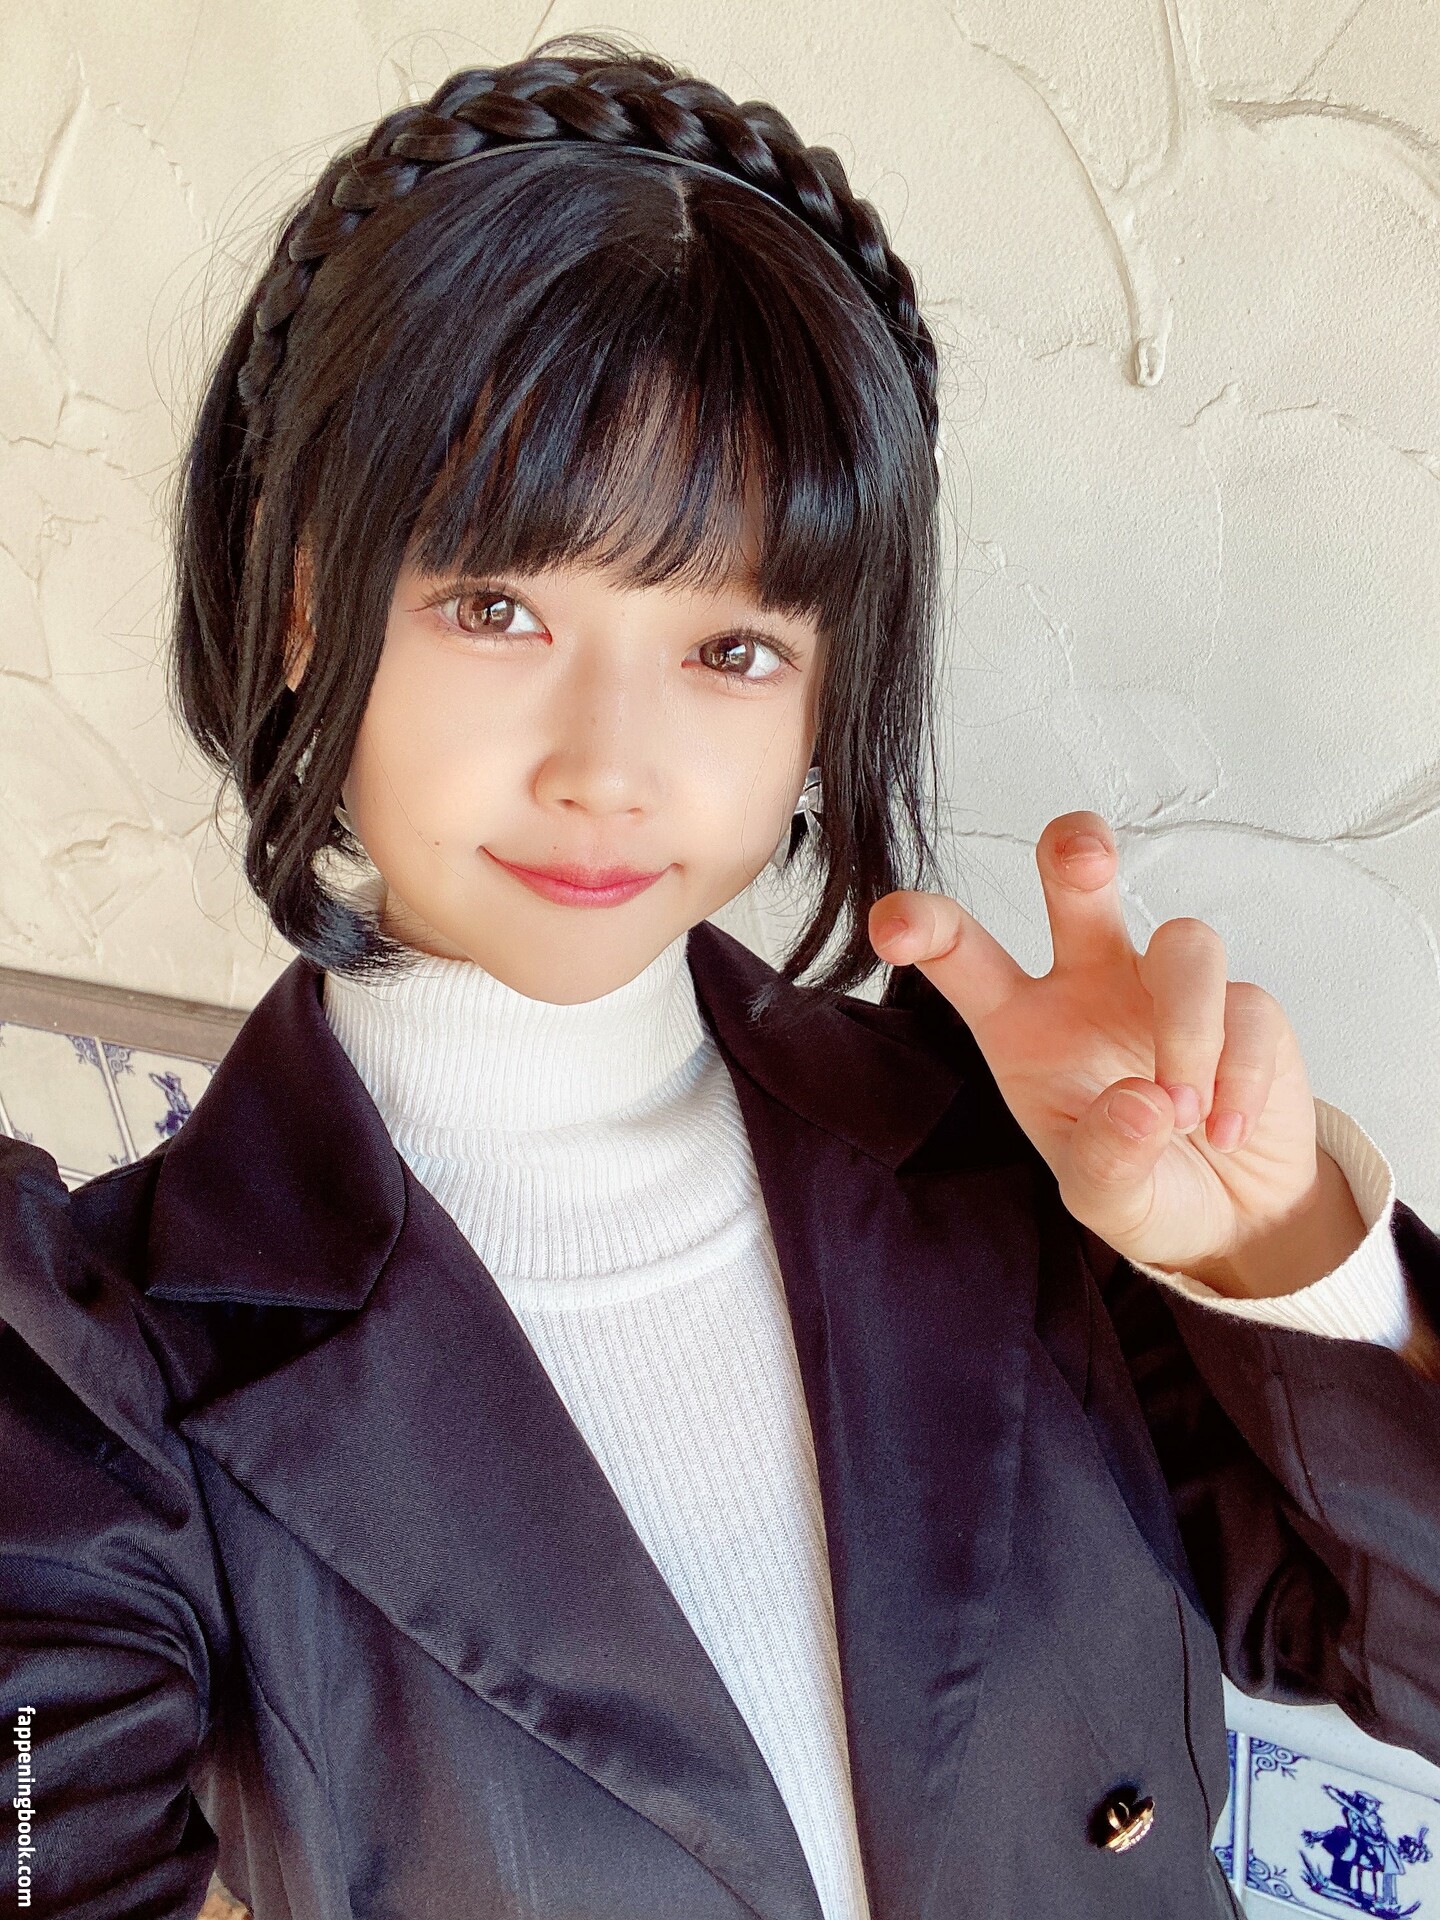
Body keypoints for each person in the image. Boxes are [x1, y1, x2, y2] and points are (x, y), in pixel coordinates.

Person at [1, 36, 1438, 1920]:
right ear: (298, 611)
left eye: (732, 649)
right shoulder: (103, 1368)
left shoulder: (1004, 1159)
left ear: (828, 691)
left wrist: (1274, 1254)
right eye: (496, 608)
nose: (609, 766)